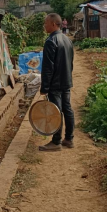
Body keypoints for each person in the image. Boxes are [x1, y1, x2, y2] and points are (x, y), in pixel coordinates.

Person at [39, 13, 75, 152]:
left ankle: (56, 142)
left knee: (56, 112)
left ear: (53, 24)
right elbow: (70, 63)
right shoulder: (67, 40)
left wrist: (45, 87)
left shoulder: (51, 41)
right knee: (67, 109)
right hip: (66, 81)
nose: (44, 26)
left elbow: (48, 68)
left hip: (55, 83)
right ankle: (69, 139)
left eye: (46, 23)